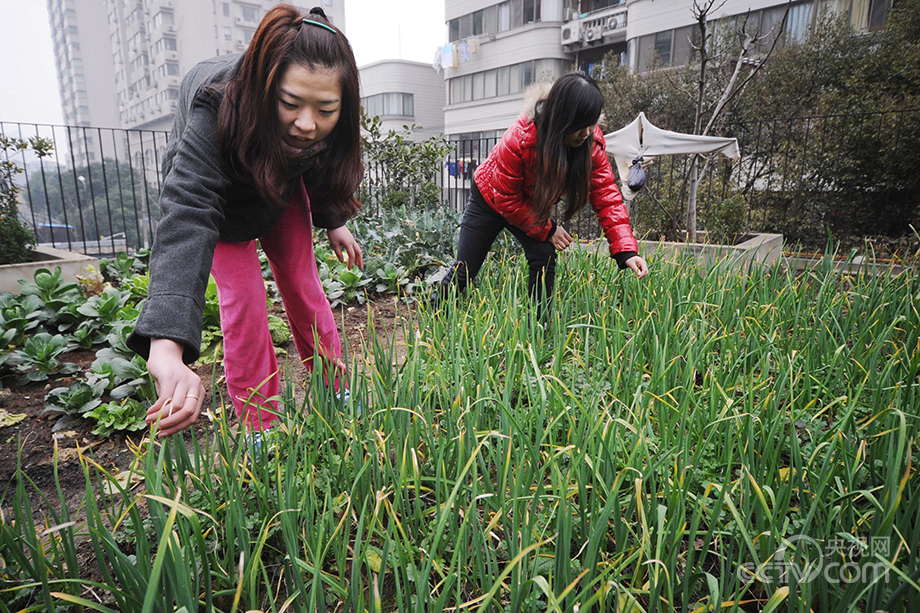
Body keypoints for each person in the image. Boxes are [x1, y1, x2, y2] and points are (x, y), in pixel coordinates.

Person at [127, 5, 364, 437]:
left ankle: (336, 385)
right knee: (245, 310)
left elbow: (323, 165)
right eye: (290, 104)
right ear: (265, 86)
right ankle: (261, 424)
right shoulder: (216, 105)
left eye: (325, 109)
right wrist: (165, 345)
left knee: (303, 284)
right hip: (224, 207)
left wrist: (334, 220)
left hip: (281, 189)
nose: (308, 124)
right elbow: (188, 207)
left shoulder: (320, 117)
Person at [441, 73, 648, 314]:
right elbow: (506, 199)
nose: (587, 132)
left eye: (591, 124)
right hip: (490, 198)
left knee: (544, 255)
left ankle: (538, 326)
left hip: (527, 204)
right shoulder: (520, 139)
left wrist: (626, 251)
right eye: (580, 125)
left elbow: (606, 195)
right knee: (466, 268)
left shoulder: (591, 143)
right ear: (562, 118)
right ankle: (436, 313)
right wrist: (547, 229)